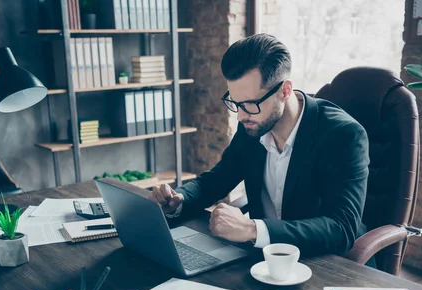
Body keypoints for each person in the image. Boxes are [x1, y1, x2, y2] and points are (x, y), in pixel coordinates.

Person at [149, 33, 369, 257]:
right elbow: (216, 180)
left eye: (251, 104)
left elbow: (342, 228)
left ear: (285, 91)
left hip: (323, 261)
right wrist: (179, 199)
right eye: (236, 103)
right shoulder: (253, 124)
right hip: (262, 259)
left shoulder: (343, 135)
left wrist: (252, 229)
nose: (242, 115)